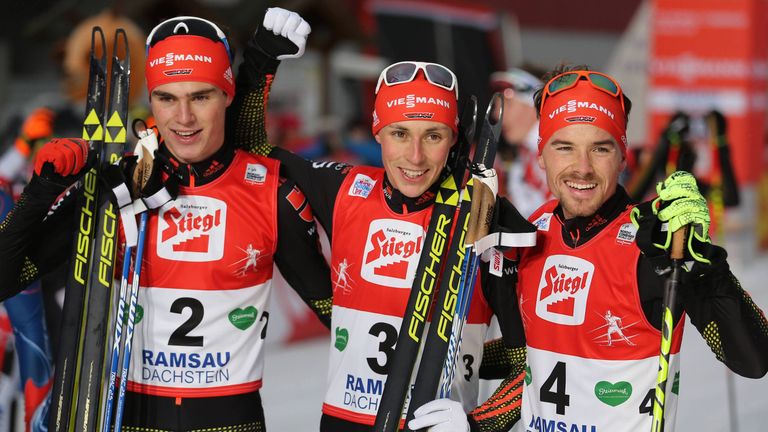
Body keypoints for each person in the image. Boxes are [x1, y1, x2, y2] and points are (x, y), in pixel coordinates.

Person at [0, 12, 331, 431]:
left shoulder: (270, 191)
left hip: (231, 422)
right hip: (130, 418)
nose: (184, 118)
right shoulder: (116, 189)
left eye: (201, 96)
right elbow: (6, 280)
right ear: (151, 100)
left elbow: (338, 315)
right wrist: (39, 193)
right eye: (167, 98)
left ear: (227, 95)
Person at [235, 12, 536, 430]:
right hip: (344, 421)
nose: (414, 157)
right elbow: (250, 155)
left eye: (432, 135)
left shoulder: (487, 218)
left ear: (453, 138)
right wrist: (261, 61)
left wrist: (477, 423)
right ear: (377, 132)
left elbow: (533, 361)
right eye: (400, 134)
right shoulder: (345, 187)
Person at [512, 64, 768, 431]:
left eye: (600, 148)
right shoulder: (533, 230)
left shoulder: (654, 243)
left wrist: (708, 269)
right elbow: (523, 364)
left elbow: (753, 360)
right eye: (564, 147)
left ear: (622, 155)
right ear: (542, 154)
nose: (581, 168)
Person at [489, 67, 549, 218]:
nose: (497, 115)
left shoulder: (555, 152)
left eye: (507, 105)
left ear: (535, 106)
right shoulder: (522, 158)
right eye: (496, 107)